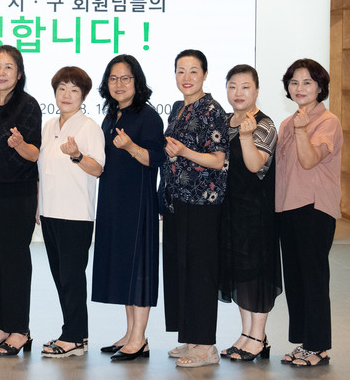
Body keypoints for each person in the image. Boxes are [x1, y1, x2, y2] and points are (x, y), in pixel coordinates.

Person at [91, 55, 165, 361]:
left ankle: (140, 338)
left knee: (139, 268)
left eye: (125, 78)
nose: (119, 84)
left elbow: (157, 158)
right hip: (113, 200)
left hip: (138, 202)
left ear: (137, 81)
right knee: (124, 267)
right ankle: (130, 332)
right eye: (113, 78)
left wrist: (131, 147)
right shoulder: (111, 116)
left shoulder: (148, 116)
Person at [161, 49, 228, 367]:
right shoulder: (178, 108)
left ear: (205, 74)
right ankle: (191, 339)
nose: (186, 77)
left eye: (193, 71)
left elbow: (218, 159)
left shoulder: (213, 110)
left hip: (203, 202)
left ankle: (206, 345)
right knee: (182, 269)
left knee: (201, 272)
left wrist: (184, 151)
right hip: (178, 201)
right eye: (180, 71)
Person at [276, 59, 341, 368]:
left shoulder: (328, 121)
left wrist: (302, 130)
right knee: (296, 278)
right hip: (287, 208)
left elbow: (309, 160)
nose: (299, 88)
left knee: (313, 278)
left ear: (320, 87)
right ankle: (304, 343)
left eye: (307, 82)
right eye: (294, 82)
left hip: (314, 208)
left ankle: (318, 347)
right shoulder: (287, 123)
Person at [0, 45, 41, 356]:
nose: (1, 73)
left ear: (19, 73)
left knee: (15, 261)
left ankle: (20, 330)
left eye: (8, 67)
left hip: (19, 192)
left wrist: (19, 144)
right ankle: (0, 327)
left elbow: (34, 153)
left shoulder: (28, 106)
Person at [38, 66, 105, 359]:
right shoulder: (48, 125)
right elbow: (42, 170)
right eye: (62, 88)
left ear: (83, 96)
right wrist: (38, 206)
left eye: (74, 90)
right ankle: (74, 333)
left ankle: (74, 337)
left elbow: (98, 168)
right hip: (50, 212)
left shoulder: (89, 127)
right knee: (60, 277)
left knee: (72, 278)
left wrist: (77, 155)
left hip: (75, 215)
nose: (67, 95)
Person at [218, 64, 281, 361]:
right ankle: (246, 334)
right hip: (229, 211)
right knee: (240, 274)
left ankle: (258, 337)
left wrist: (245, 137)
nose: (238, 93)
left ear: (256, 90)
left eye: (245, 87)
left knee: (257, 274)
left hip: (255, 213)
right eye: (232, 86)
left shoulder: (264, 125)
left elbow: (255, 165)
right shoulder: (224, 121)